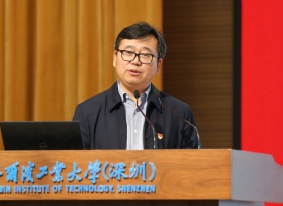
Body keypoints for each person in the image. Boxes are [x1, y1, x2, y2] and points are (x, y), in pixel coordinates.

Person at [72, 21, 200, 149]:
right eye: (128, 52)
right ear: (115, 57)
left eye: (145, 55)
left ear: (158, 65)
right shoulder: (88, 112)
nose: (135, 61)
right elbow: (74, 160)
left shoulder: (179, 114)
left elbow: (193, 160)